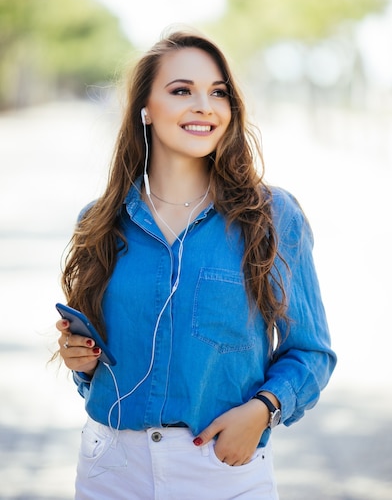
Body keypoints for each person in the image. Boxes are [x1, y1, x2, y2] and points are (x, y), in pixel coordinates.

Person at [56, 29, 336, 500]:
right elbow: (96, 366)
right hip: (109, 469)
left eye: (218, 92)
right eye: (182, 90)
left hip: (221, 469)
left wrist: (264, 409)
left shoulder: (270, 216)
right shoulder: (100, 221)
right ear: (145, 108)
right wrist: (80, 361)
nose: (205, 105)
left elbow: (311, 352)